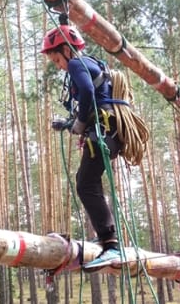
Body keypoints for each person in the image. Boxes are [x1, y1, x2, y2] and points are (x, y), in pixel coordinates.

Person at [42, 24, 122, 268]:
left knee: (85, 183)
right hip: (107, 132)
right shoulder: (89, 64)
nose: (59, 66)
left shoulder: (77, 63)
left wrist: (77, 123)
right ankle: (106, 236)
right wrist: (70, 123)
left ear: (66, 49)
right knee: (89, 181)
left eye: (57, 59)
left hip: (103, 132)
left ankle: (111, 244)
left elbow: (87, 92)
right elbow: (92, 99)